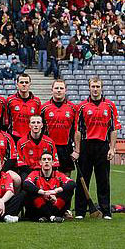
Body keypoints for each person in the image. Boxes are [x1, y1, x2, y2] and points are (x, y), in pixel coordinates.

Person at [73, 77, 121, 220]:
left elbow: (113, 129)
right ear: (89, 88)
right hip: (86, 145)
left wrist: (112, 149)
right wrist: (77, 150)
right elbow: (78, 130)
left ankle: (106, 211)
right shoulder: (82, 106)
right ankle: (80, 211)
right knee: (82, 179)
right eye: (93, 86)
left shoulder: (110, 106)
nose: (95, 89)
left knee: (103, 180)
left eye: (97, 86)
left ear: (101, 88)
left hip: (102, 146)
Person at [24, 152, 75, 223]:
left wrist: (55, 191)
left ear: (53, 163)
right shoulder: (34, 174)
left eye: (49, 159)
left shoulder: (59, 175)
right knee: (30, 191)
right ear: (40, 163)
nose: (46, 161)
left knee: (69, 190)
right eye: (44, 159)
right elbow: (26, 184)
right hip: (39, 207)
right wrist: (44, 193)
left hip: (55, 206)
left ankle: (47, 217)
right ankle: (51, 217)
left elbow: (72, 183)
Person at [40, 80, 77, 176]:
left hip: (66, 147)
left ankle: (66, 191)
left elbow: (76, 130)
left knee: (66, 176)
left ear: (66, 90)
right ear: (51, 90)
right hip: (49, 148)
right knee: (48, 175)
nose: (59, 90)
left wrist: (76, 149)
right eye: (56, 88)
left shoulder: (73, 108)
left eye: (61, 88)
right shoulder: (44, 108)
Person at [16, 115, 58, 179]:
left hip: (45, 171)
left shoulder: (49, 142)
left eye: (38, 122)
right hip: (28, 171)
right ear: (29, 125)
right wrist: (33, 174)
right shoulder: (21, 142)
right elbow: (20, 163)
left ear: (42, 125)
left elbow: (55, 162)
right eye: (33, 122)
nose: (36, 125)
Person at [6, 74, 41, 142]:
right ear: (17, 84)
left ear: (30, 84)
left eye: (26, 82)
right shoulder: (10, 100)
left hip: (31, 137)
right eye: (21, 82)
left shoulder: (36, 101)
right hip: (14, 137)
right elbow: (6, 121)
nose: (24, 84)